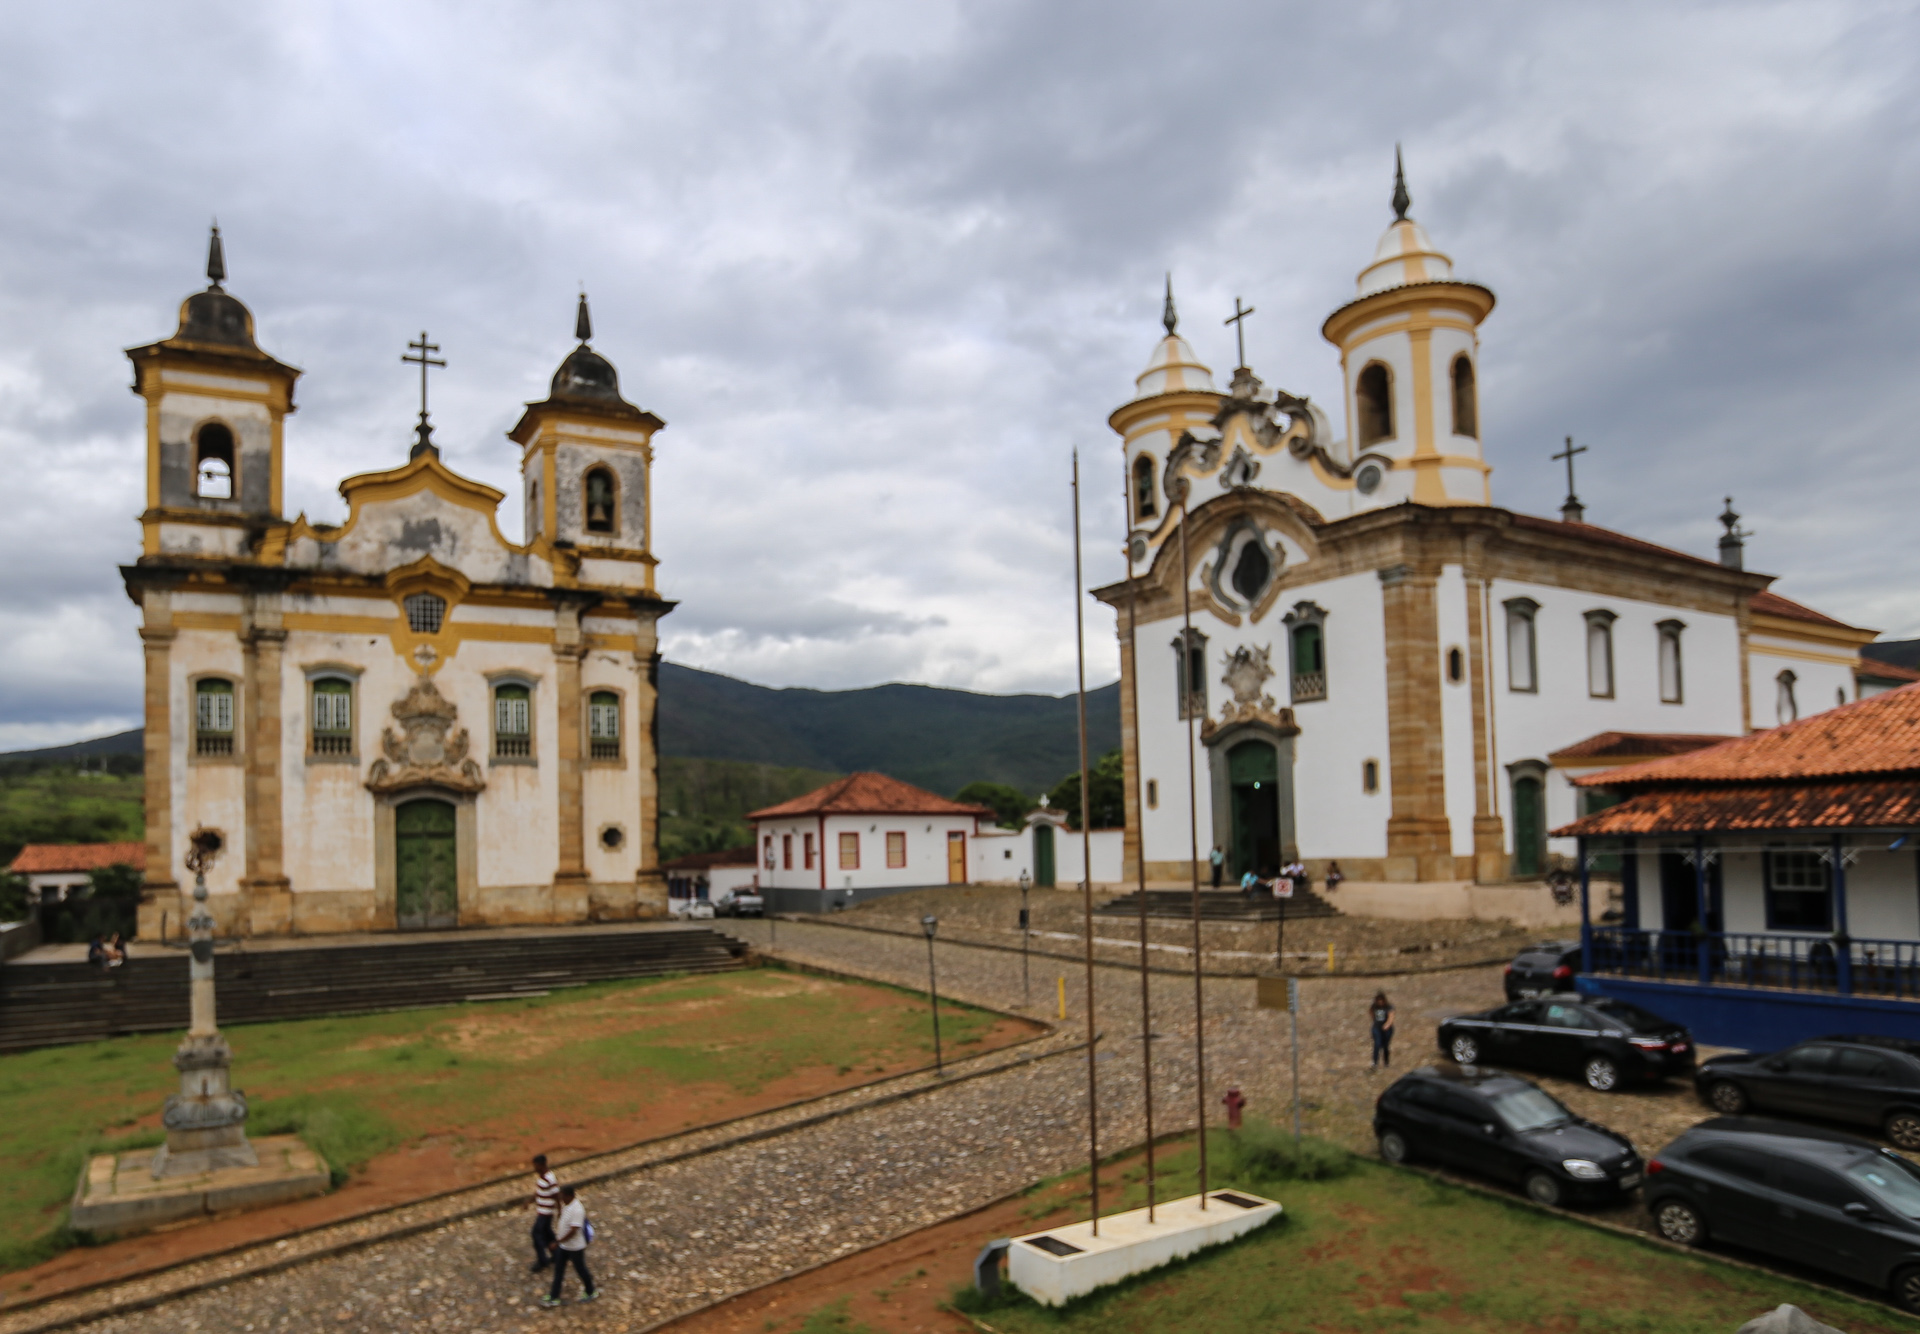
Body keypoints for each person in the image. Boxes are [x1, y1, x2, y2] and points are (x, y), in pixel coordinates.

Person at [542, 1185, 596, 1306]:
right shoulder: (568, 1205)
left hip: (575, 1247)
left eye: (563, 1196)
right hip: (565, 1246)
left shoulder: (577, 1209)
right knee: (558, 1270)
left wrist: (558, 1242)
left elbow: (574, 1230)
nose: (561, 1198)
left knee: (581, 1270)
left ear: (569, 1196)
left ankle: (591, 1291)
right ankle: (554, 1296)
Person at [528, 1154, 558, 1272]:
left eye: (536, 1166)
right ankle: (557, 1254)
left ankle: (542, 1260)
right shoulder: (542, 1177)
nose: (534, 1168)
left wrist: (560, 1210)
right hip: (542, 1211)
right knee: (548, 1233)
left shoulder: (549, 1179)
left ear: (542, 1165)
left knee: (536, 1234)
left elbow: (556, 1195)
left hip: (546, 1212)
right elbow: (538, 1192)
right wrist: (529, 1202)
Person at [1369, 991, 1396, 1070]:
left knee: (1385, 1046)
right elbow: (1371, 1013)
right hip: (1377, 1028)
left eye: (1381, 1000)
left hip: (1387, 1029)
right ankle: (1375, 1062)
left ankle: (1386, 1062)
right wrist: (1375, 1021)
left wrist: (1387, 1024)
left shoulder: (1389, 1007)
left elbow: (1391, 1016)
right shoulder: (1374, 1007)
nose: (1380, 1002)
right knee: (1377, 1044)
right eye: (1378, 1000)